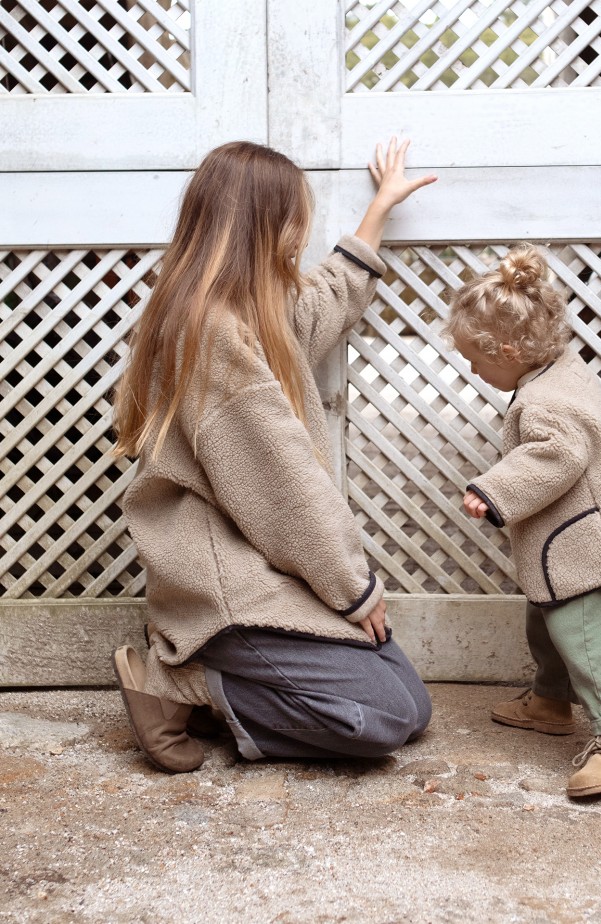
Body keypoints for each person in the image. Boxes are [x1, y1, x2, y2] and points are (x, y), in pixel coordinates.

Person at [111, 138, 436, 773]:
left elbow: (324, 300)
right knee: (385, 721)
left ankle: (211, 687)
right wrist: (353, 589)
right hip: (225, 586)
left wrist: (381, 209)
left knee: (411, 709)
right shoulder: (212, 331)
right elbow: (282, 483)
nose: (301, 234)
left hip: (262, 572)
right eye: (294, 218)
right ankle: (181, 684)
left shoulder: (248, 310)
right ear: (261, 222)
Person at [445, 243, 601, 798]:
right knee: (549, 622)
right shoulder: (559, 369)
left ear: (509, 351)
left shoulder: (544, 404)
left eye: (476, 358)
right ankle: (551, 701)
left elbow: (555, 457)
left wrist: (493, 491)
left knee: (592, 640)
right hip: (577, 541)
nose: (472, 367)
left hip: (589, 548)